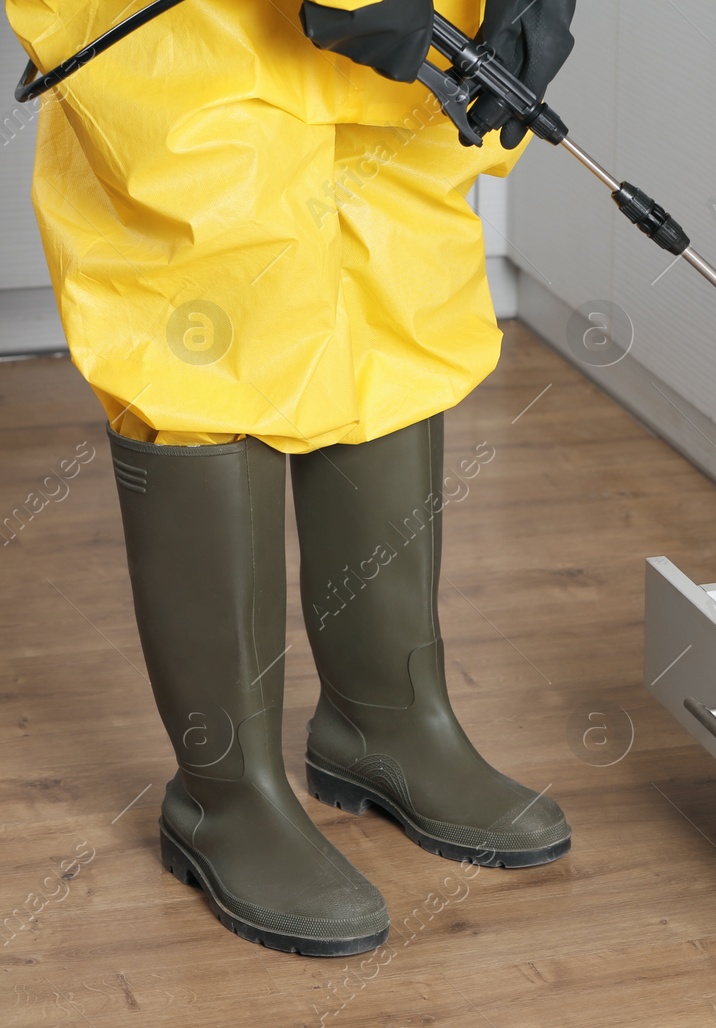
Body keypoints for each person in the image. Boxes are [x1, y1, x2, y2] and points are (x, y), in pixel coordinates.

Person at [6, 0, 578, 955]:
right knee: (205, 330)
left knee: (391, 306)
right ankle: (226, 796)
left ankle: (385, 723)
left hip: (418, 35)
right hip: (197, 31)